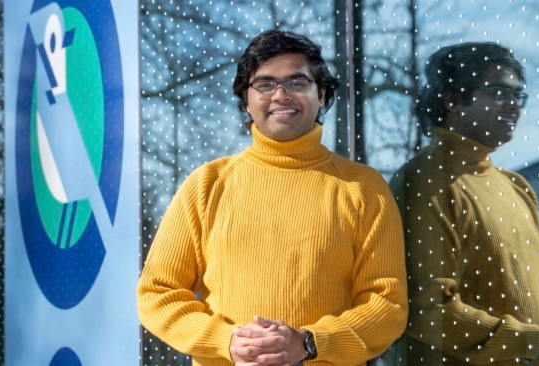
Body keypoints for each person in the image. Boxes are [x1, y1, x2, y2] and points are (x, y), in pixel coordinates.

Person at [137, 29, 408, 366]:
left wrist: (310, 343)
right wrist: (228, 340)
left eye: (297, 83)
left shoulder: (363, 187)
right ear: (245, 100)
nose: (281, 95)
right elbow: (157, 293)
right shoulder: (206, 185)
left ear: (321, 95)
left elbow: (387, 306)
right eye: (265, 84)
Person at [389, 42, 539, 365]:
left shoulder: (516, 187)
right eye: (500, 93)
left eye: (518, 96)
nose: (514, 105)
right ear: (453, 99)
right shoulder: (424, 180)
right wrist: (537, 342)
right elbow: (426, 310)